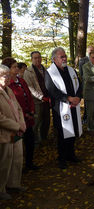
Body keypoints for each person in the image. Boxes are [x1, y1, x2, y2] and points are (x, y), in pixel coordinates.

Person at [45, 47, 82, 169]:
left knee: (73, 130)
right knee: (62, 133)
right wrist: (68, 98)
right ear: (54, 59)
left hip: (74, 105)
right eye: (62, 57)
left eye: (65, 56)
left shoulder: (71, 70)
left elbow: (79, 85)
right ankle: (61, 158)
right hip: (60, 107)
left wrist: (77, 97)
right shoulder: (50, 72)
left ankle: (70, 154)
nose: (64, 58)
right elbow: (52, 90)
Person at [3, 58, 38, 171]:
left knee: (30, 141)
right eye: (14, 67)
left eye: (17, 66)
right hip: (17, 121)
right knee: (17, 145)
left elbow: (29, 96)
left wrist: (32, 110)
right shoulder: (8, 85)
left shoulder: (21, 81)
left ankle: (29, 163)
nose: (17, 68)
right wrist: (23, 115)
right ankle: (18, 168)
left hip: (28, 119)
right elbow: (13, 106)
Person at [0, 64, 26, 200]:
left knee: (17, 157)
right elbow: (0, 118)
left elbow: (19, 108)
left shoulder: (9, 90)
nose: (7, 78)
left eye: (7, 75)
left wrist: (22, 123)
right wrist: (17, 126)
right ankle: (1, 189)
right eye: (4, 76)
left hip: (17, 131)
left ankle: (14, 183)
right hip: (5, 133)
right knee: (5, 161)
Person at [24, 51, 50, 144]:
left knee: (46, 121)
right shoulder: (28, 72)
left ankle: (44, 138)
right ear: (32, 59)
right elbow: (30, 88)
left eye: (39, 57)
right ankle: (34, 141)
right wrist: (41, 97)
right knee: (36, 121)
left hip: (47, 100)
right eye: (35, 58)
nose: (37, 59)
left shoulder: (46, 70)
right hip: (36, 101)